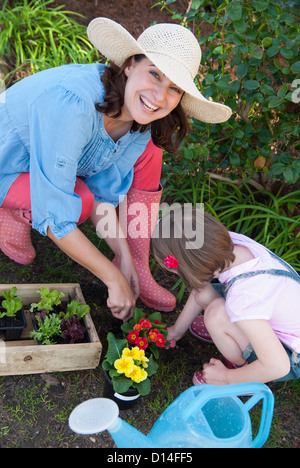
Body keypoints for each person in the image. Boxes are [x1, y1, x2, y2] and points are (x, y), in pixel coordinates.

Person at [0, 18, 232, 321]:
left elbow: (102, 194)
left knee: (88, 196)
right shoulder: (73, 104)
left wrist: (125, 257)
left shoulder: (138, 123)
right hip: (7, 163)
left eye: (174, 88)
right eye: (154, 74)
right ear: (129, 65)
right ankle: (10, 211)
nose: (160, 96)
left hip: (32, 165)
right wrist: (112, 277)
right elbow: (57, 215)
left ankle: (138, 261)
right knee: (76, 201)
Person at [151, 205, 300, 385]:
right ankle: (230, 334)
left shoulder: (244, 298)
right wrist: (176, 330)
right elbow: (201, 286)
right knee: (207, 295)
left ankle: (243, 376)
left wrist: (225, 378)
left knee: (215, 315)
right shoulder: (234, 246)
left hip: (290, 357)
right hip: (280, 322)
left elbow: (277, 366)